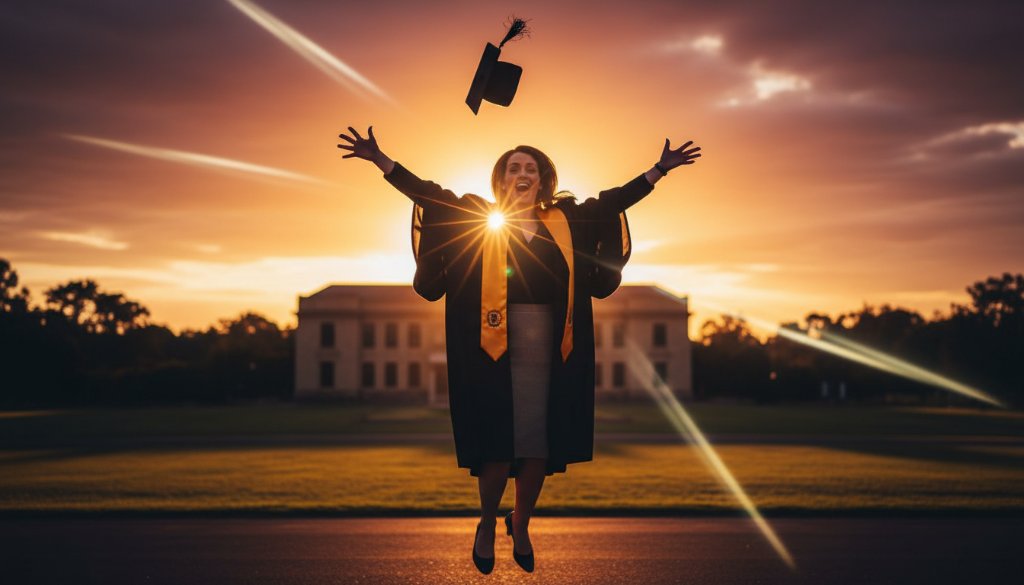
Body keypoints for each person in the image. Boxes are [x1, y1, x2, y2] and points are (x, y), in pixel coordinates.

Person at [337, 126, 701, 574]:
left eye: (531, 168)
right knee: (496, 446)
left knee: (539, 445)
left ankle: (522, 522)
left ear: (543, 179)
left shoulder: (565, 220)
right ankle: (487, 522)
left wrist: (659, 170)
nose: (522, 173)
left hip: (552, 344)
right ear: (502, 179)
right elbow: (430, 195)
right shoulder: (476, 217)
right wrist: (382, 161)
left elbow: (612, 202)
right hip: (493, 346)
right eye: (514, 167)